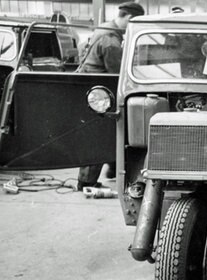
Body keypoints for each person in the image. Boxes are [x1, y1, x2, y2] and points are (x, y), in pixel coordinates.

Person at [76, 1, 145, 191]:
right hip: (101, 94)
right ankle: (87, 182)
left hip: (94, 91)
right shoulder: (111, 40)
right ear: (129, 18)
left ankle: (107, 172)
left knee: (99, 136)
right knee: (99, 137)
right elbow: (119, 74)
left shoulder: (104, 29)